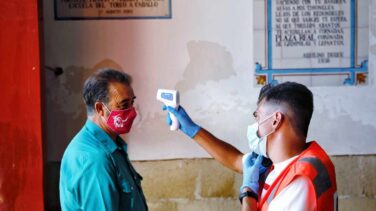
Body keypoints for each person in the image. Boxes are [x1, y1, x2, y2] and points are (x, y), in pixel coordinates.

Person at [163, 82, 337, 211]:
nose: (255, 124)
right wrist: (192, 130)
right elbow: (236, 160)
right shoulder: (284, 161)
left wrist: (248, 194)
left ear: (275, 120)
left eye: (258, 116)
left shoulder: (299, 182)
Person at [59, 69, 148, 211]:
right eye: (124, 105)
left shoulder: (112, 146)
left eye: (132, 103)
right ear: (100, 108)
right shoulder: (94, 158)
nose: (132, 112)